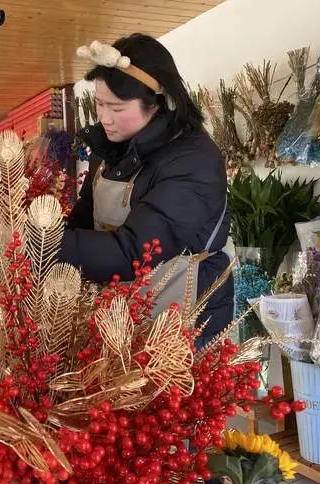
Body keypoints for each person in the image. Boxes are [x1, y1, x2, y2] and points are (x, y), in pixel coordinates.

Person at [59, 34, 233, 345]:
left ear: (157, 103)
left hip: (186, 316)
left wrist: (44, 244)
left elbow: (135, 253)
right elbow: (84, 220)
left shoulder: (194, 160)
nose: (104, 118)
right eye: (98, 103)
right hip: (126, 308)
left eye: (116, 107)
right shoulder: (112, 147)